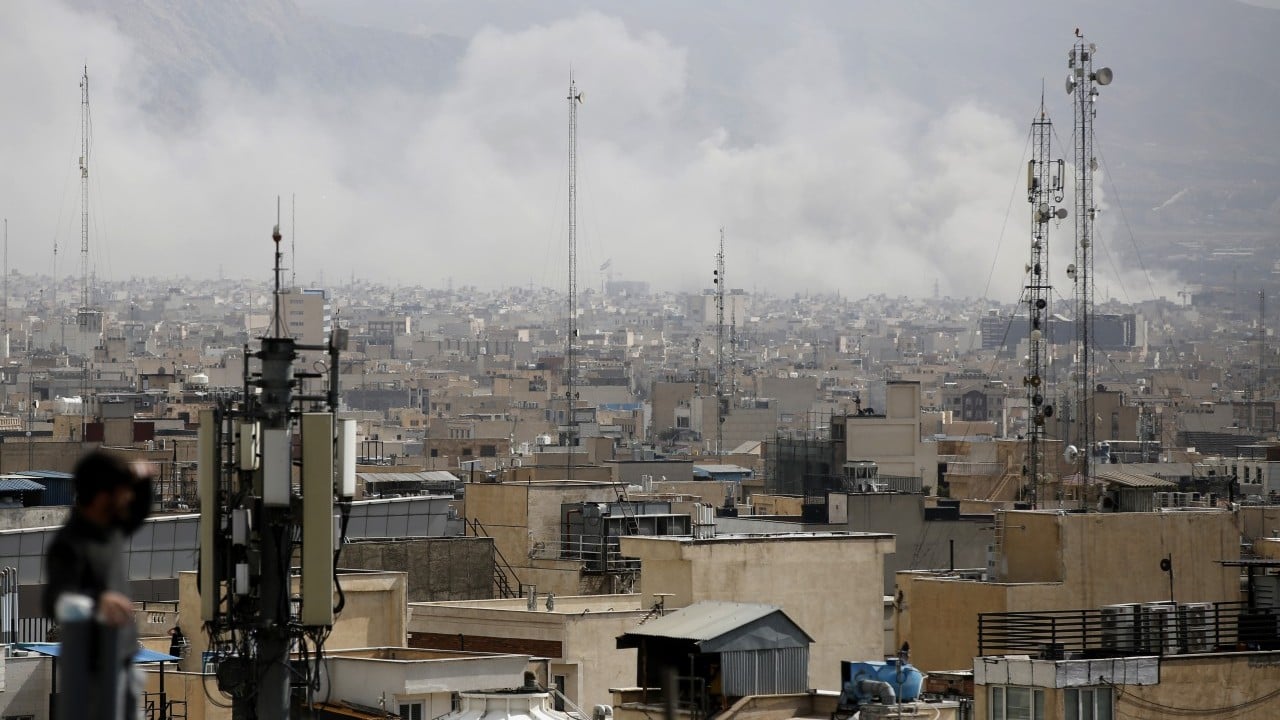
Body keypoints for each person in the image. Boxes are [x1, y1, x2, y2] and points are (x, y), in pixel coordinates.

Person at [42, 450, 154, 720]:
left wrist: (144, 481)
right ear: (104, 497)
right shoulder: (70, 544)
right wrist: (96, 602)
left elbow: (138, 511)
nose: (128, 497)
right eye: (122, 491)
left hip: (123, 660)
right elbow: (54, 600)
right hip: (93, 671)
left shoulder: (110, 527)